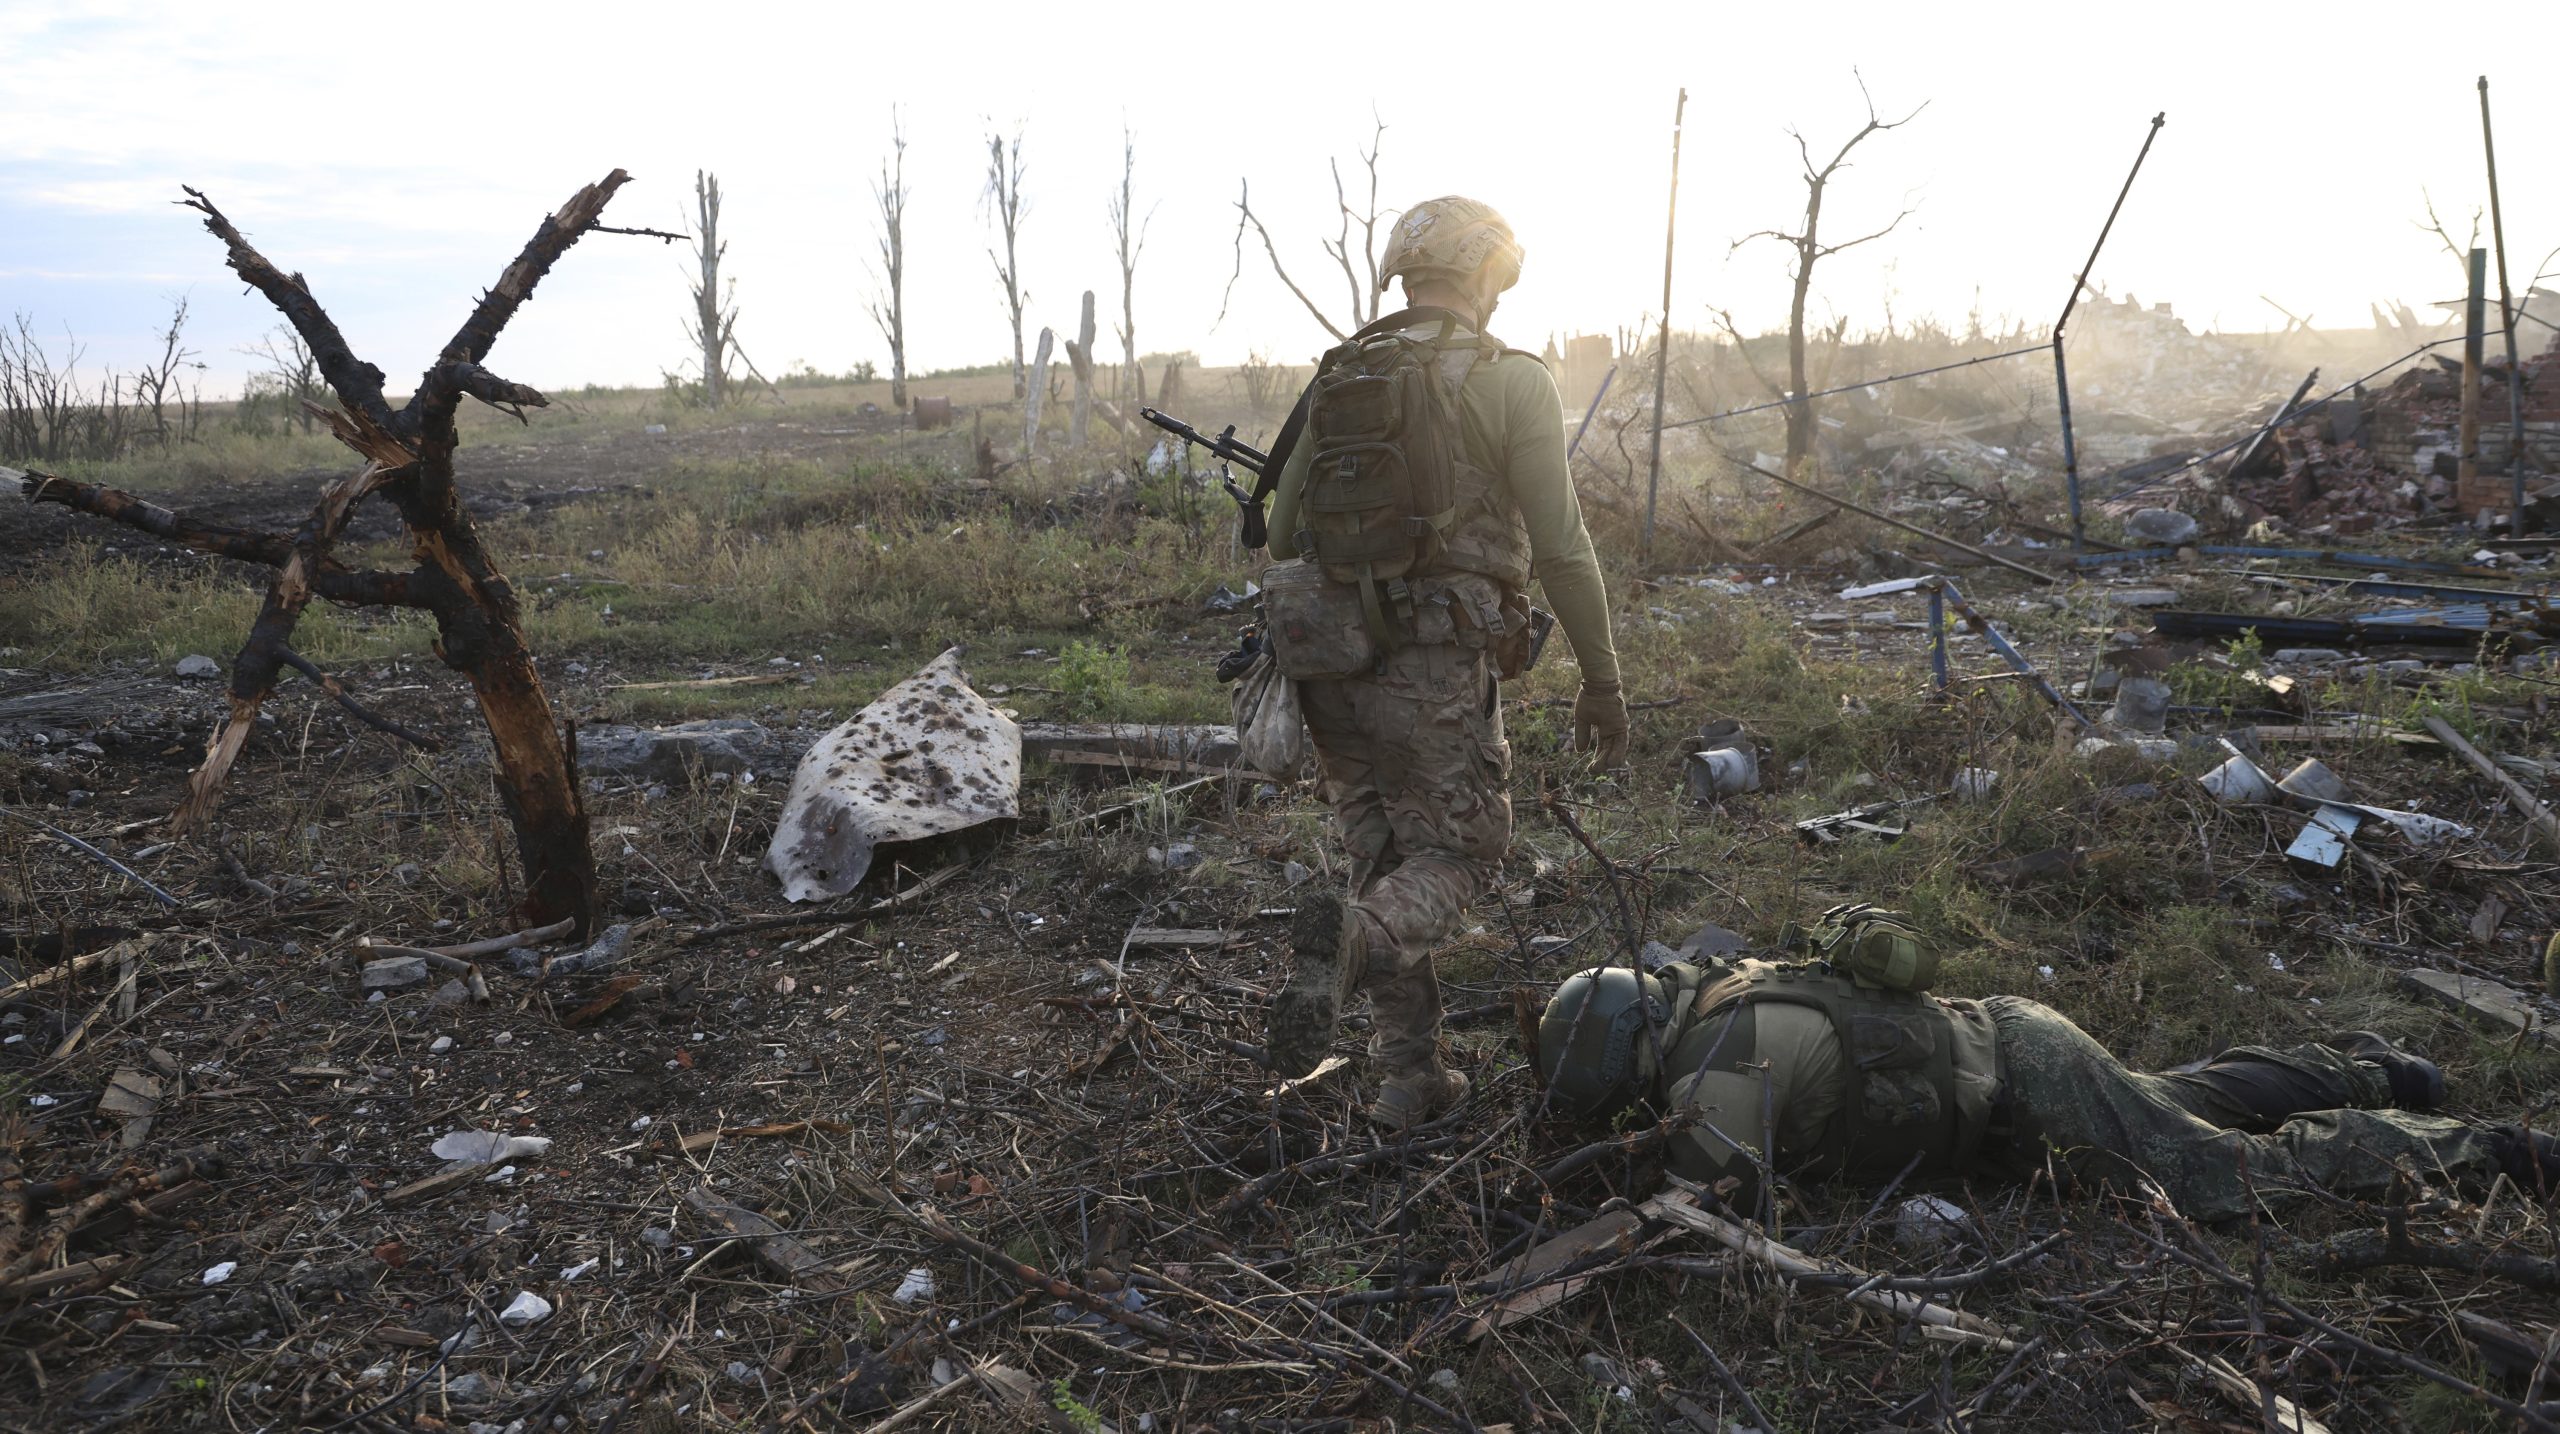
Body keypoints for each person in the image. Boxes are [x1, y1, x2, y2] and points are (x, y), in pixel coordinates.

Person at [1258, 197, 1626, 1131]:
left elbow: (1278, 532)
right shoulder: (1510, 380)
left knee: (1386, 854)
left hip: (1326, 663)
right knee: (1465, 849)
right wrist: (1602, 679)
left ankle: (1408, 1078)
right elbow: (1564, 547)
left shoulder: (1344, 372)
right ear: (1487, 275)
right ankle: (1351, 946)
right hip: (1431, 660)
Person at [1535, 907, 2560, 1221]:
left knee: (2213, 1178)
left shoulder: (1712, 1070)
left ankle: (2497, 1147)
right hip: (2009, 1050)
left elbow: (1710, 1205)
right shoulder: (1723, 985)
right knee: (2174, 1104)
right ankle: (2371, 1069)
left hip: (2021, 1092)